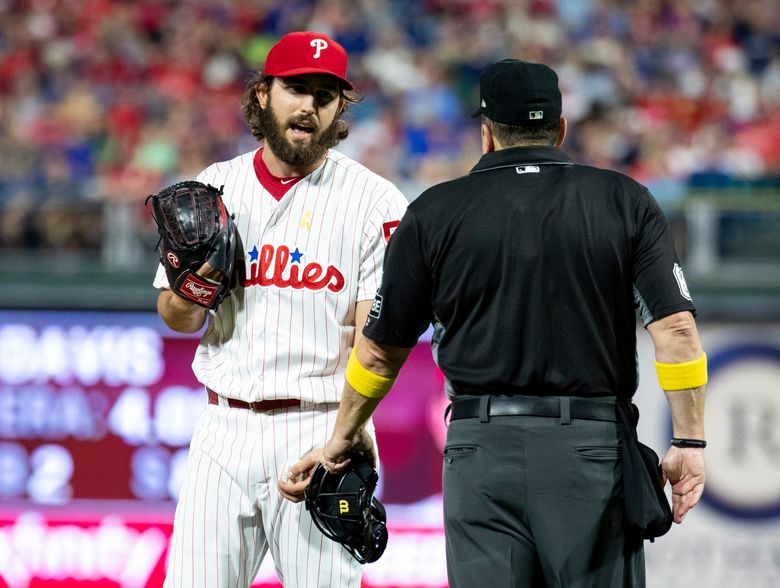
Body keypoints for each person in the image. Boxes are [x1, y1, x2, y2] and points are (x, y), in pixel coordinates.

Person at [282, 59, 707, 587]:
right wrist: (689, 442)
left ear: (486, 132)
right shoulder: (625, 201)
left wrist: (340, 441)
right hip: (591, 451)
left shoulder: (435, 211)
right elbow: (678, 332)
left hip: (479, 451)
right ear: (560, 129)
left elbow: (377, 352)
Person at [153, 31, 408, 588]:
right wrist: (197, 285)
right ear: (264, 93)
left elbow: (374, 334)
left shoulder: (376, 201)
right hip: (223, 424)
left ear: (341, 106)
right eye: (296, 88)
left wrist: (350, 430)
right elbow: (176, 317)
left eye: (325, 94)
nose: (309, 105)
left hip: (319, 426)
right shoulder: (215, 186)